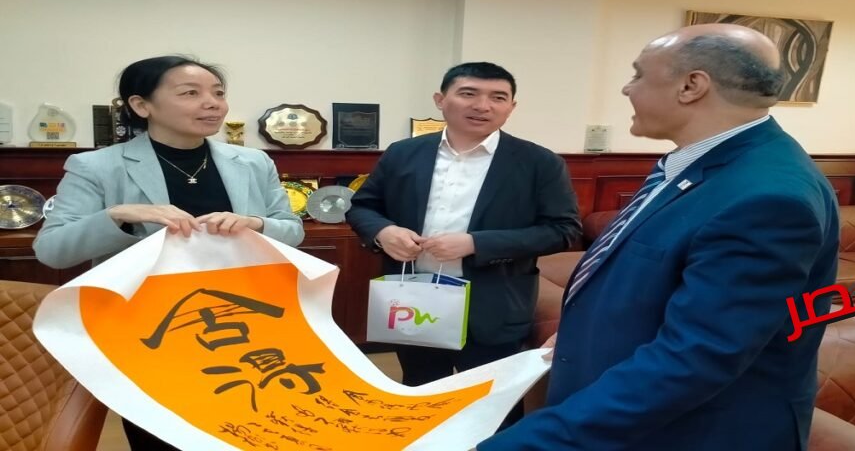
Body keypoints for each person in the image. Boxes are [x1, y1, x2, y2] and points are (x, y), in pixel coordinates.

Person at [478, 24, 841, 450]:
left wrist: (522, 443)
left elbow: (694, 359)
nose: (626, 88)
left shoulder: (766, 197)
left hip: (693, 434)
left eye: (638, 74)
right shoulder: (696, 164)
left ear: (691, 86)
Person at [33, 55, 303, 450]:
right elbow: (52, 250)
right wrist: (119, 215)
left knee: (250, 428)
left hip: (245, 323)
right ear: (142, 105)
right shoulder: (96, 166)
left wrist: (256, 224)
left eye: (218, 93)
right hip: (149, 331)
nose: (212, 103)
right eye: (190, 93)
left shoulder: (252, 161)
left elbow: (292, 231)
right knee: (164, 435)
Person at [346, 62, 581, 424]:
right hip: (415, 302)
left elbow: (562, 230)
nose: (482, 106)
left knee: (495, 409)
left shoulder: (540, 162)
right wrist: (384, 232)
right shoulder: (403, 153)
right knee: (421, 397)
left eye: (498, 97)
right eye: (468, 93)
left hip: (494, 306)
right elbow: (363, 207)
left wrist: (476, 243)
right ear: (440, 100)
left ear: (512, 107)